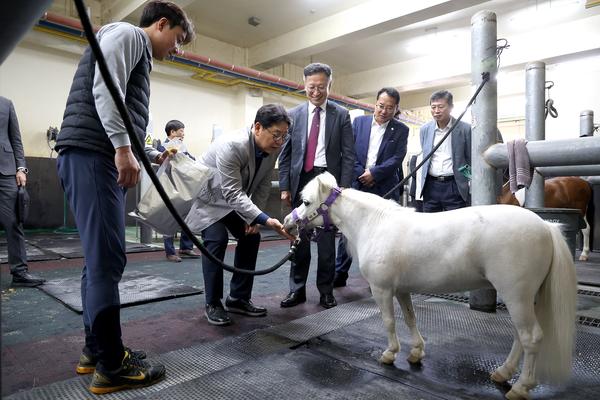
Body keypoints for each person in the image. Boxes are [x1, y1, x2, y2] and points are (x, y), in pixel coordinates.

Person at [54, 1, 194, 394]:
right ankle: (112, 365)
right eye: (178, 39)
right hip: (94, 155)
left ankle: (95, 350)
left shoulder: (134, 50)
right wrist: (120, 148)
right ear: (162, 23)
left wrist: (147, 152)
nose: (178, 49)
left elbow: (122, 109)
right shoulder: (127, 34)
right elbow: (106, 85)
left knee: (97, 262)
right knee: (108, 261)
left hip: (90, 153)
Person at [185, 104, 294, 326]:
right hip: (209, 201)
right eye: (276, 135)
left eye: (284, 136)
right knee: (217, 239)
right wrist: (263, 219)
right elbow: (232, 192)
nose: (280, 141)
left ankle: (238, 297)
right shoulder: (232, 145)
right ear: (257, 127)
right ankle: (213, 303)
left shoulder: (272, 149)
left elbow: (263, 185)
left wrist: (253, 219)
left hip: (233, 202)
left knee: (251, 236)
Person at [278, 62, 355, 309]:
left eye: (321, 87)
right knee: (298, 237)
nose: (316, 92)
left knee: (325, 241)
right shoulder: (294, 115)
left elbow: (348, 154)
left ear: (329, 85)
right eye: (311, 87)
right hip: (301, 179)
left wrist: (342, 188)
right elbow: (286, 154)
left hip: (327, 182)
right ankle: (296, 290)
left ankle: (326, 291)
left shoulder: (341, 114)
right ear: (304, 85)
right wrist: (284, 187)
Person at [333, 87, 409, 287]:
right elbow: (348, 151)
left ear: (396, 109)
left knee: (383, 233)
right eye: (381, 106)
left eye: (390, 108)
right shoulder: (359, 123)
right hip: (357, 184)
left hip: (384, 186)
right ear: (375, 104)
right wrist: (361, 173)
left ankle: (379, 276)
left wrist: (374, 174)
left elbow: (397, 158)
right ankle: (340, 273)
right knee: (349, 230)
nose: (384, 111)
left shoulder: (401, 130)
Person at [0, 96, 46, 287]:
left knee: (14, 221)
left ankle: (19, 273)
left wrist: (21, 168)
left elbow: (16, 139)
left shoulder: (6, 104)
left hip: (6, 170)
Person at [418, 90, 471, 212]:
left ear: (451, 107)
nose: (436, 111)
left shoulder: (465, 129)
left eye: (441, 107)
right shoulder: (425, 130)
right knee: (430, 224)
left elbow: (469, 159)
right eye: (433, 107)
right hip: (430, 185)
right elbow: (425, 156)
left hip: (454, 184)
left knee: (456, 225)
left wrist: (465, 182)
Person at [157, 119, 199, 262]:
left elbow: (191, 160)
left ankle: (186, 247)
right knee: (169, 218)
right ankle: (170, 252)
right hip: (169, 186)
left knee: (187, 216)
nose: (183, 134)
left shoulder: (182, 146)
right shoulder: (162, 147)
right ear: (172, 132)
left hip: (183, 186)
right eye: (181, 131)